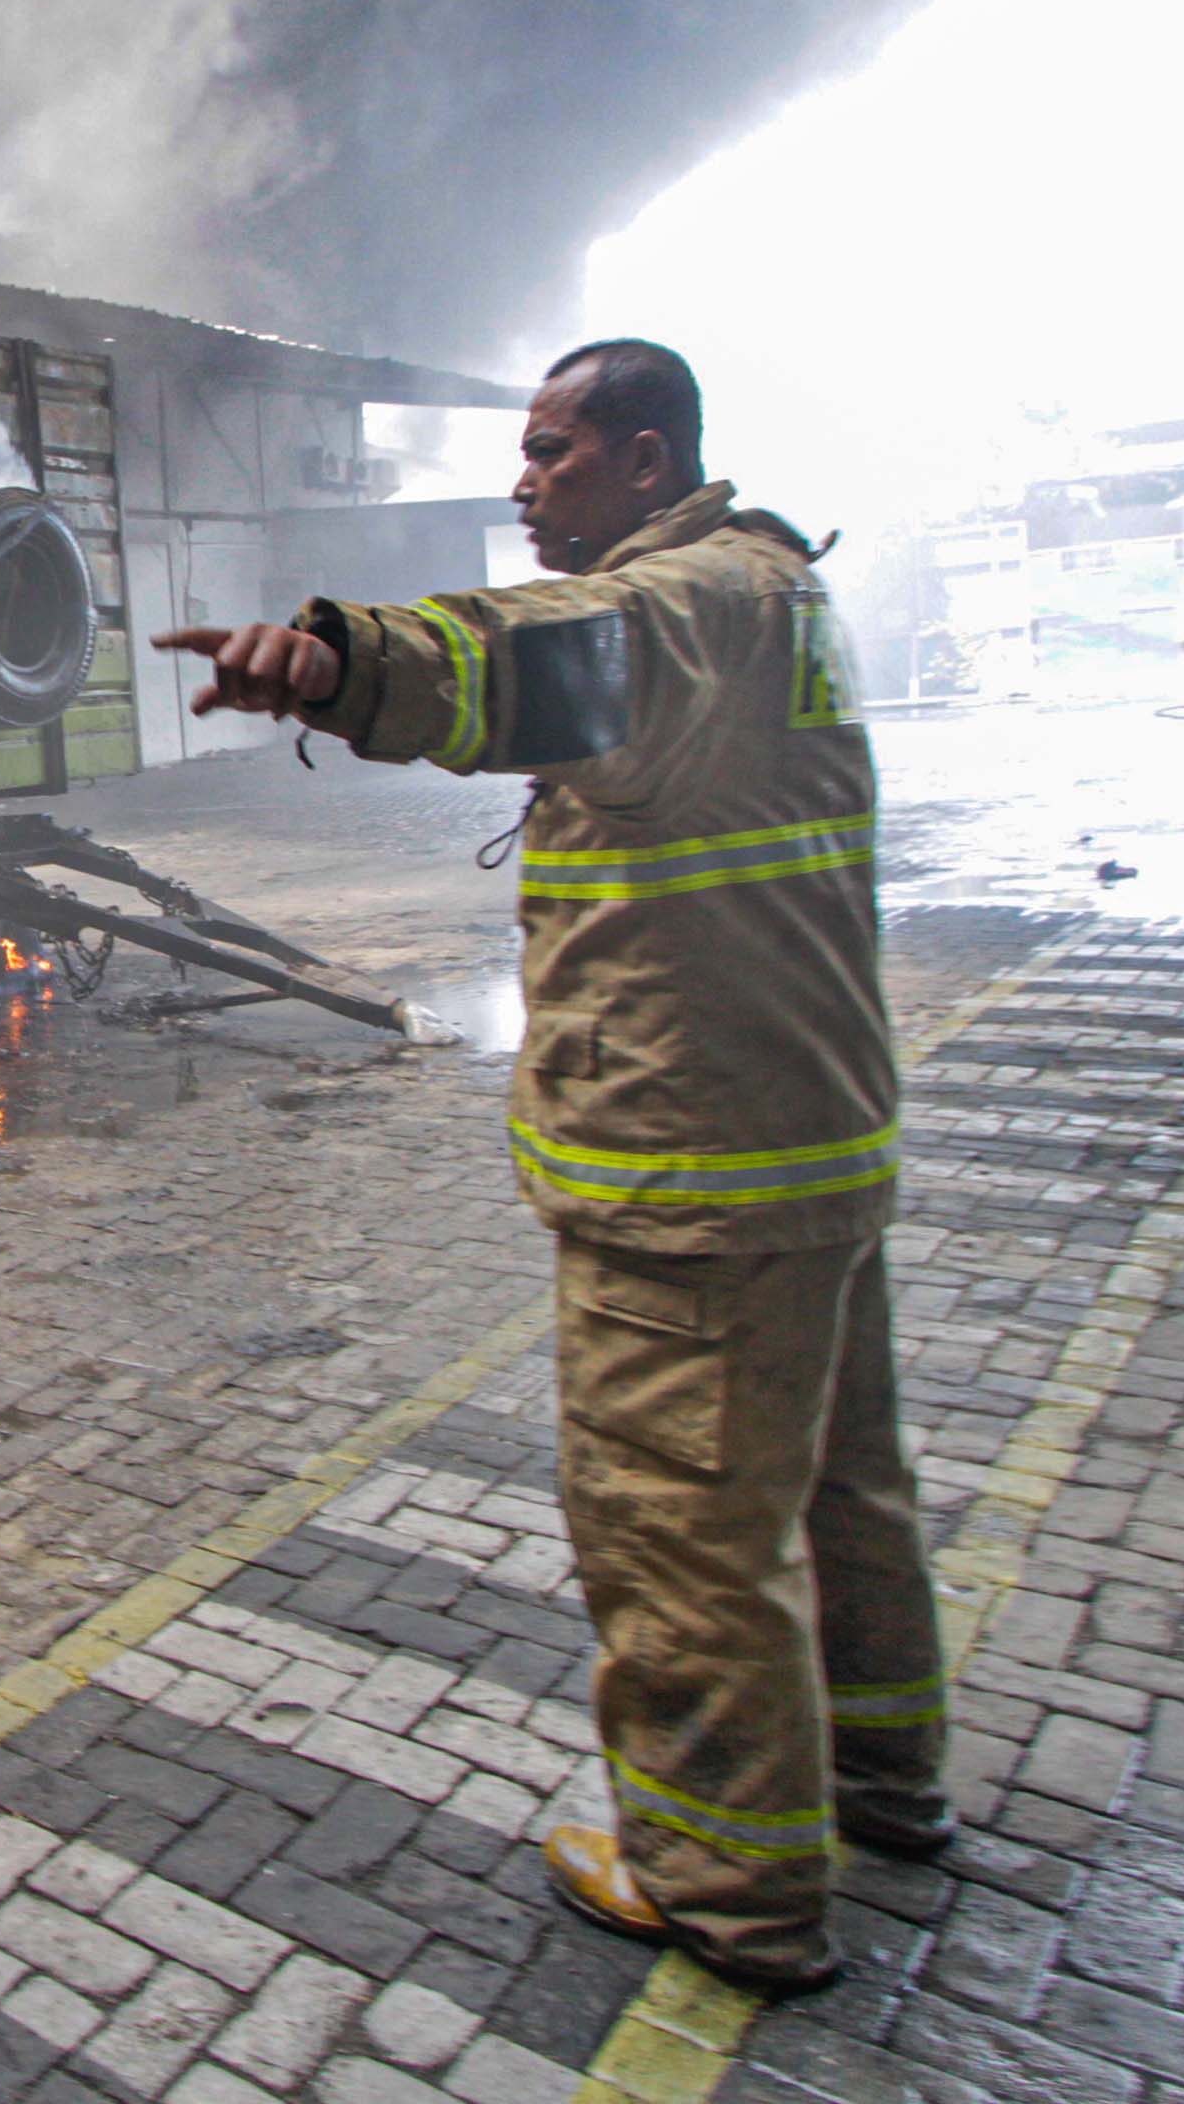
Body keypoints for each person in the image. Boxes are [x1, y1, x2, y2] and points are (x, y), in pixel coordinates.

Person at [159, 339, 940, 1996]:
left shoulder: (681, 605)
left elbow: (543, 658)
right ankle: (882, 1782)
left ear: (647, 462)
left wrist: (338, 662)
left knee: (673, 1528)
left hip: (692, 1171)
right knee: (838, 1494)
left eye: (554, 451)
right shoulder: (777, 593)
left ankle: (721, 1881)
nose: (523, 484)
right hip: (813, 1142)